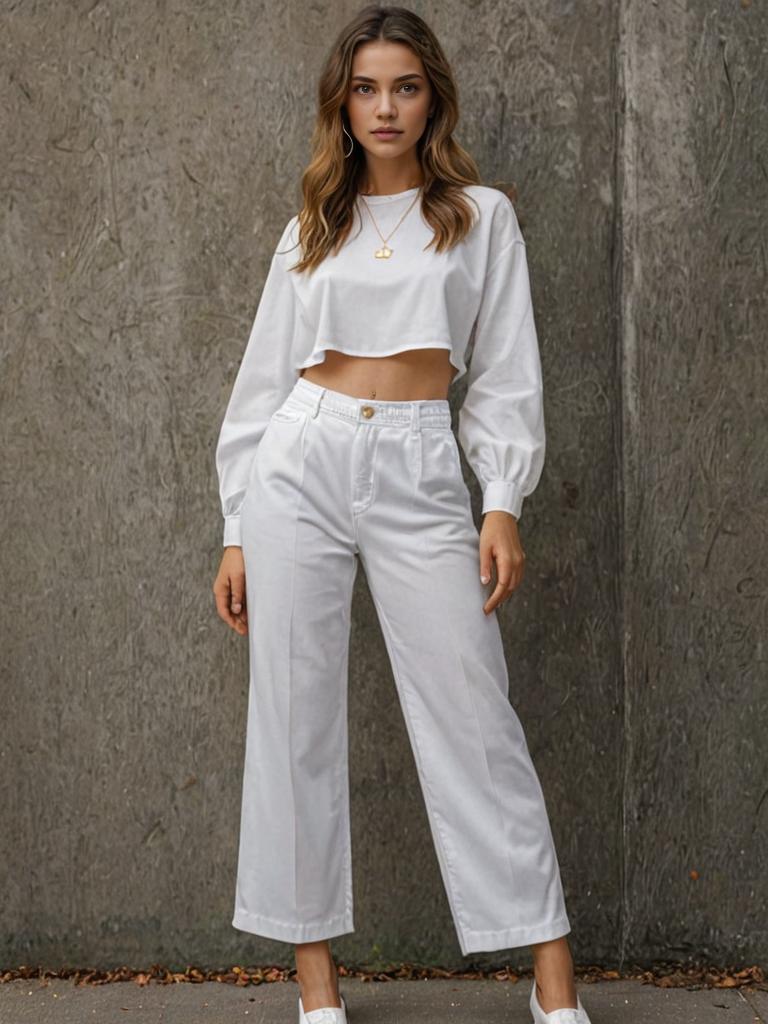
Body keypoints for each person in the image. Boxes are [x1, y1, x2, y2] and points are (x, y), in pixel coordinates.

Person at [213, 6, 593, 1024]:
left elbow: (506, 375)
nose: (386, 107)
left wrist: (501, 501)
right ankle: (317, 987)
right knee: (292, 716)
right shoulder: (312, 228)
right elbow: (260, 385)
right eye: (368, 88)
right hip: (300, 459)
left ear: (433, 99)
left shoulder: (479, 216)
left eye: (406, 87)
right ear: (343, 101)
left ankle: (553, 984)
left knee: (477, 711)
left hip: (423, 461)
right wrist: (235, 527)